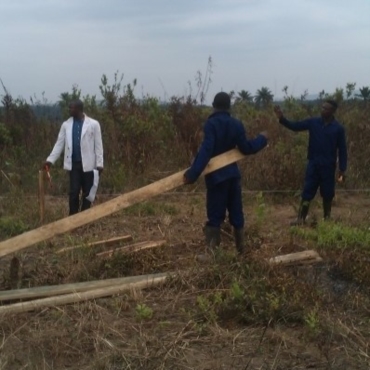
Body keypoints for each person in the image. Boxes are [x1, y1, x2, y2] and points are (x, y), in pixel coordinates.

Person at [183, 92, 268, 254]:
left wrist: (192, 174)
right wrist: (262, 139)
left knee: (215, 215)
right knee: (236, 213)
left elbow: (206, 151)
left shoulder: (211, 125)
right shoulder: (236, 124)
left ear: (214, 106)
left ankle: (212, 254)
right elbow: (246, 148)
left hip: (217, 178)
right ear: (229, 107)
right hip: (233, 177)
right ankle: (242, 251)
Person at [273, 100, 347, 224]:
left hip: (328, 167)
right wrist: (282, 119)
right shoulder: (313, 122)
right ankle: (301, 218)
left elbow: (343, 150)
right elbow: (295, 126)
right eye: (322, 107)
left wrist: (342, 169)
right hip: (313, 164)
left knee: (328, 193)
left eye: (326, 108)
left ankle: (327, 220)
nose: (323, 110)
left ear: (333, 111)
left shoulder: (338, 129)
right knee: (307, 191)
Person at [44, 100, 104, 215]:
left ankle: (84, 217)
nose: (70, 110)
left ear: (79, 109)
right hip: (74, 164)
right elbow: (59, 144)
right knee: (73, 192)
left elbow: (98, 146)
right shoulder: (66, 125)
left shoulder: (93, 124)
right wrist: (50, 160)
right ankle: (72, 217)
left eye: (72, 108)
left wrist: (100, 164)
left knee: (88, 193)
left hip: (89, 165)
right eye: (69, 108)